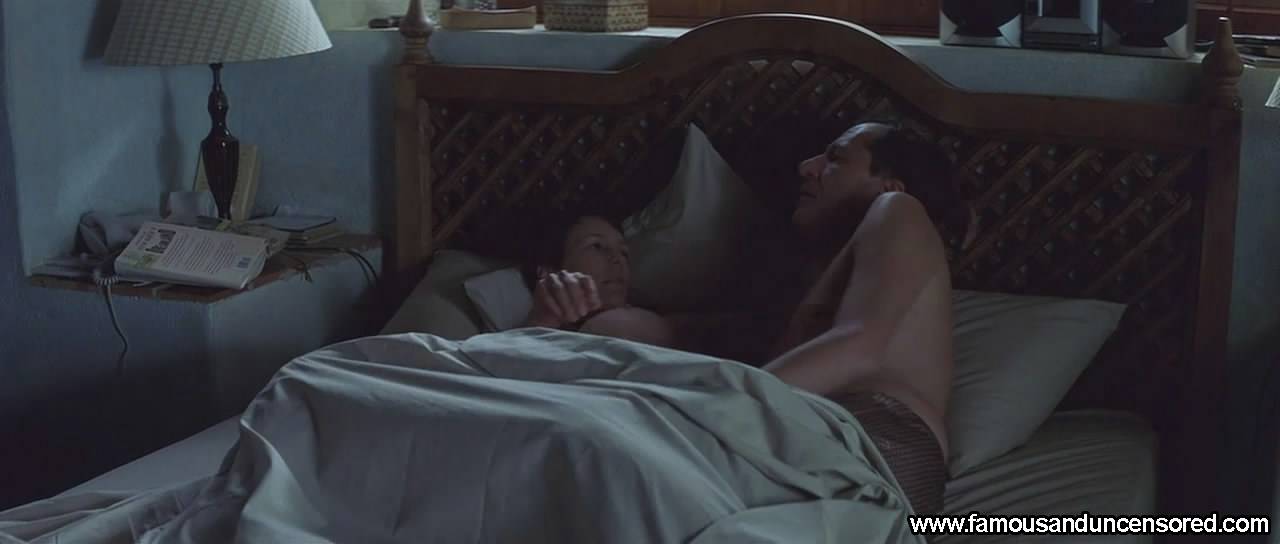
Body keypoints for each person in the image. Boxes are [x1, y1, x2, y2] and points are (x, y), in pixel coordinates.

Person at [519, 122, 973, 515]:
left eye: (835, 159)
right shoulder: (801, 292)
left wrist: (707, 416)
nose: (807, 167)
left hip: (878, 443)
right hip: (798, 441)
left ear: (889, 186)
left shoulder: (899, 211)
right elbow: (666, 337)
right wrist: (549, 321)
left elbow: (861, 345)